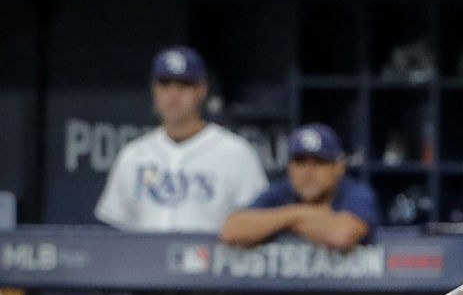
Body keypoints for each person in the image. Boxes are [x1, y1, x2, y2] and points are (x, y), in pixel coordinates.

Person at [95, 46, 267, 232]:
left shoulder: (236, 152)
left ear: (202, 90)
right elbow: (116, 227)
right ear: (154, 88)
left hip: (211, 259)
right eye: (165, 84)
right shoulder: (133, 155)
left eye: (184, 85)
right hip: (143, 260)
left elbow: (258, 220)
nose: (174, 94)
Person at [220, 124, 380, 250]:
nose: (308, 172)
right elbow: (231, 230)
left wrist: (276, 222)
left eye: (319, 163)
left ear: (338, 167)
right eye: (300, 162)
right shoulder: (280, 192)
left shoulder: (354, 192)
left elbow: (342, 235)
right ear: (289, 166)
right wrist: (297, 215)